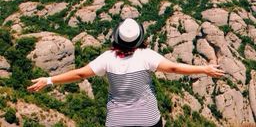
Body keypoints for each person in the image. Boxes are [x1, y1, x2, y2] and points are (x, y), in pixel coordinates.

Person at [27, 18, 225, 127]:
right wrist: (205, 69)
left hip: (117, 122)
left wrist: (49, 79)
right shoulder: (146, 56)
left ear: (116, 39)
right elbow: (174, 67)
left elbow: (79, 74)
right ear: (140, 39)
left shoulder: (107, 58)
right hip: (148, 121)